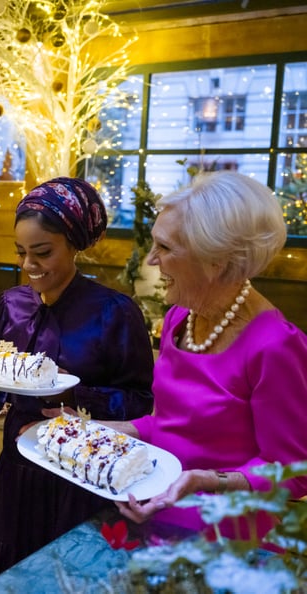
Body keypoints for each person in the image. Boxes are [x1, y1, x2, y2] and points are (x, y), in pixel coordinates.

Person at [104, 170, 307, 536]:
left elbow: (292, 471)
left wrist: (209, 480)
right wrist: (105, 430)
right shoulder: (179, 318)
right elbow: (172, 426)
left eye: (165, 248)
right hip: (152, 516)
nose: (151, 260)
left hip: (226, 539)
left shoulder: (274, 345)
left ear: (216, 261)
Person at [0, 177, 156, 583]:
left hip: (79, 476)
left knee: (67, 575)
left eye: (42, 253)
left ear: (74, 245)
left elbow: (140, 400)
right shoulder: (11, 304)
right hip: (18, 468)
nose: (28, 266)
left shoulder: (114, 312)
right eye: (21, 253)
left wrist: (75, 395)